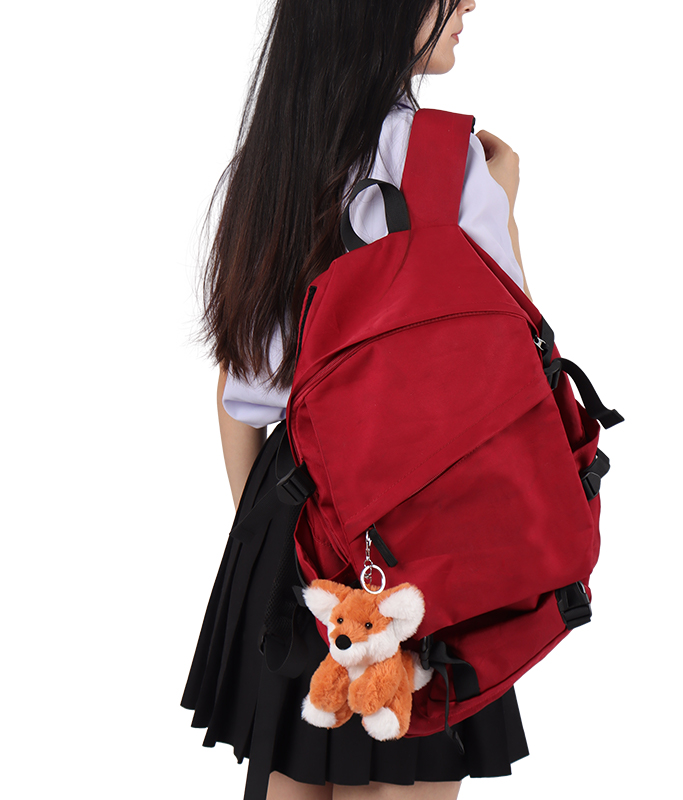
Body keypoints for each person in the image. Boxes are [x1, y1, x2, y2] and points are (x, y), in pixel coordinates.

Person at [181, 2, 533, 798]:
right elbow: (514, 375)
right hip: (424, 531)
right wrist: (503, 206)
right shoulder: (446, 161)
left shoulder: (272, 160)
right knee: (406, 768)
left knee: (290, 776)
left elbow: (244, 392)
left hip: (290, 521)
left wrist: (283, 568)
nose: (469, 3)